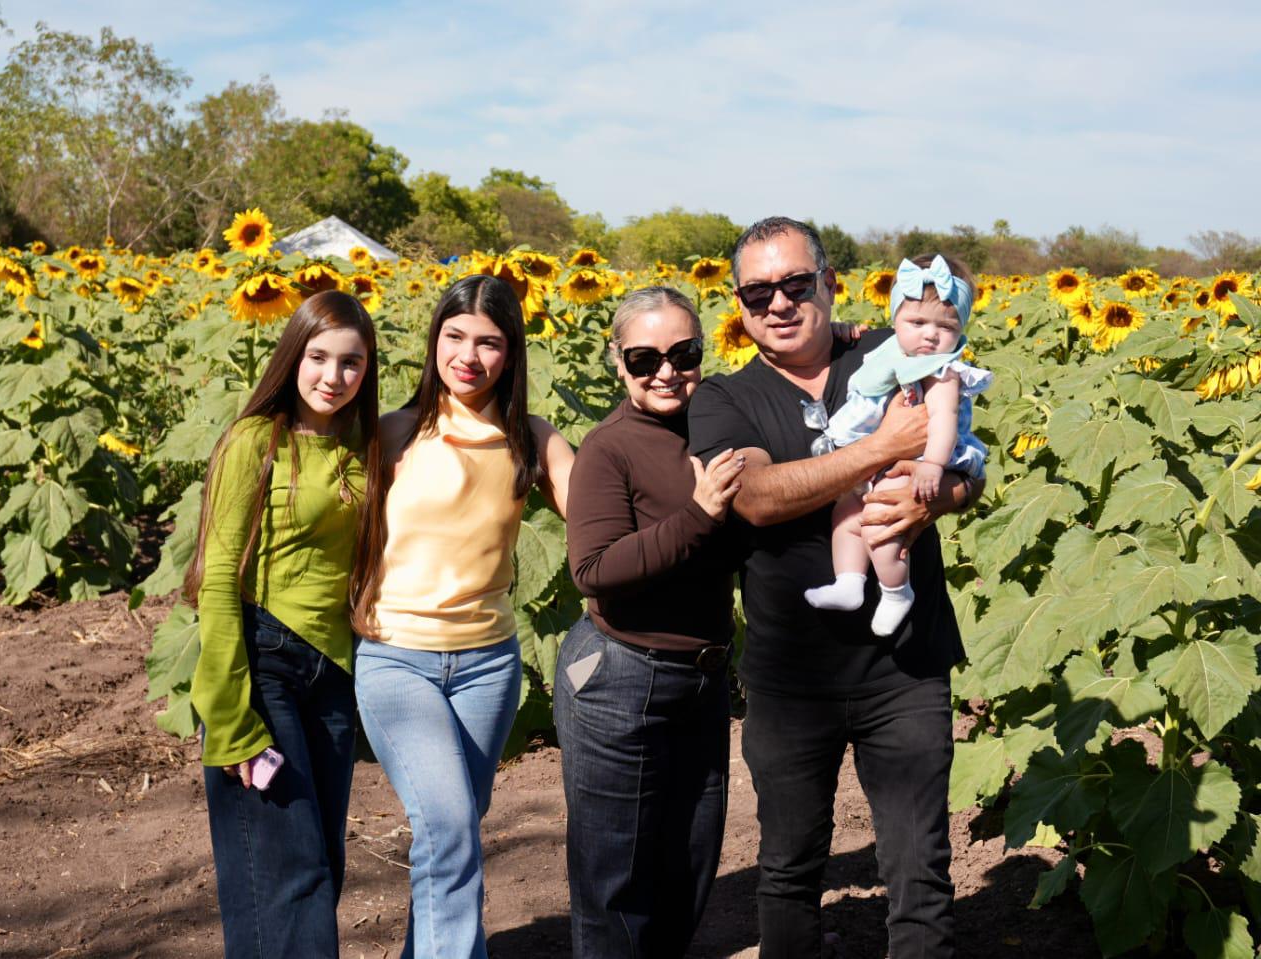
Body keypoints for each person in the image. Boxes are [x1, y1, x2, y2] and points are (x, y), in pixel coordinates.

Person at [687, 217, 982, 959]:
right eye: (758, 292)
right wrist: (883, 450)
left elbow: (968, 464)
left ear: (830, 283)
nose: (778, 304)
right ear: (739, 303)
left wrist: (937, 496)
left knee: (920, 870)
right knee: (788, 870)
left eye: (795, 284)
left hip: (905, 666)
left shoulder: (893, 352)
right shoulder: (726, 397)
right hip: (792, 676)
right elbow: (756, 496)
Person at [352, 274, 575, 959]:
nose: (469, 355)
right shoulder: (390, 433)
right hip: (396, 659)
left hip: (489, 666)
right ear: (433, 340)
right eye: (454, 336)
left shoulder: (533, 440)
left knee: (456, 830)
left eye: (489, 342)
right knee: (448, 828)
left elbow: (602, 515)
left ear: (511, 353)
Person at [187, 290, 381, 958]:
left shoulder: (365, 446)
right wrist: (231, 716)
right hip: (262, 662)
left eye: (351, 362)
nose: (333, 375)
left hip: (331, 674)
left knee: (318, 861)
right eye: (319, 356)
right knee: (287, 870)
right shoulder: (254, 441)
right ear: (292, 356)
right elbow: (217, 579)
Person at [555, 286, 744, 958]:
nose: (667, 371)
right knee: (615, 881)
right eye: (645, 358)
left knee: (690, 863)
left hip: (701, 678)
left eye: (684, 352)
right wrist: (699, 514)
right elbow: (594, 569)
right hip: (620, 678)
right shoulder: (611, 447)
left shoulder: (718, 424)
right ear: (619, 362)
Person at [804, 254, 991, 636]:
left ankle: (895, 591)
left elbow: (942, 423)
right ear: (895, 322)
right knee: (846, 516)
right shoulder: (890, 351)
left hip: (920, 462)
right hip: (884, 460)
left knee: (881, 522)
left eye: (945, 326)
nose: (930, 335)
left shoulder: (942, 373)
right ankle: (850, 582)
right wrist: (838, 329)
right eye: (917, 322)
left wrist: (932, 468)